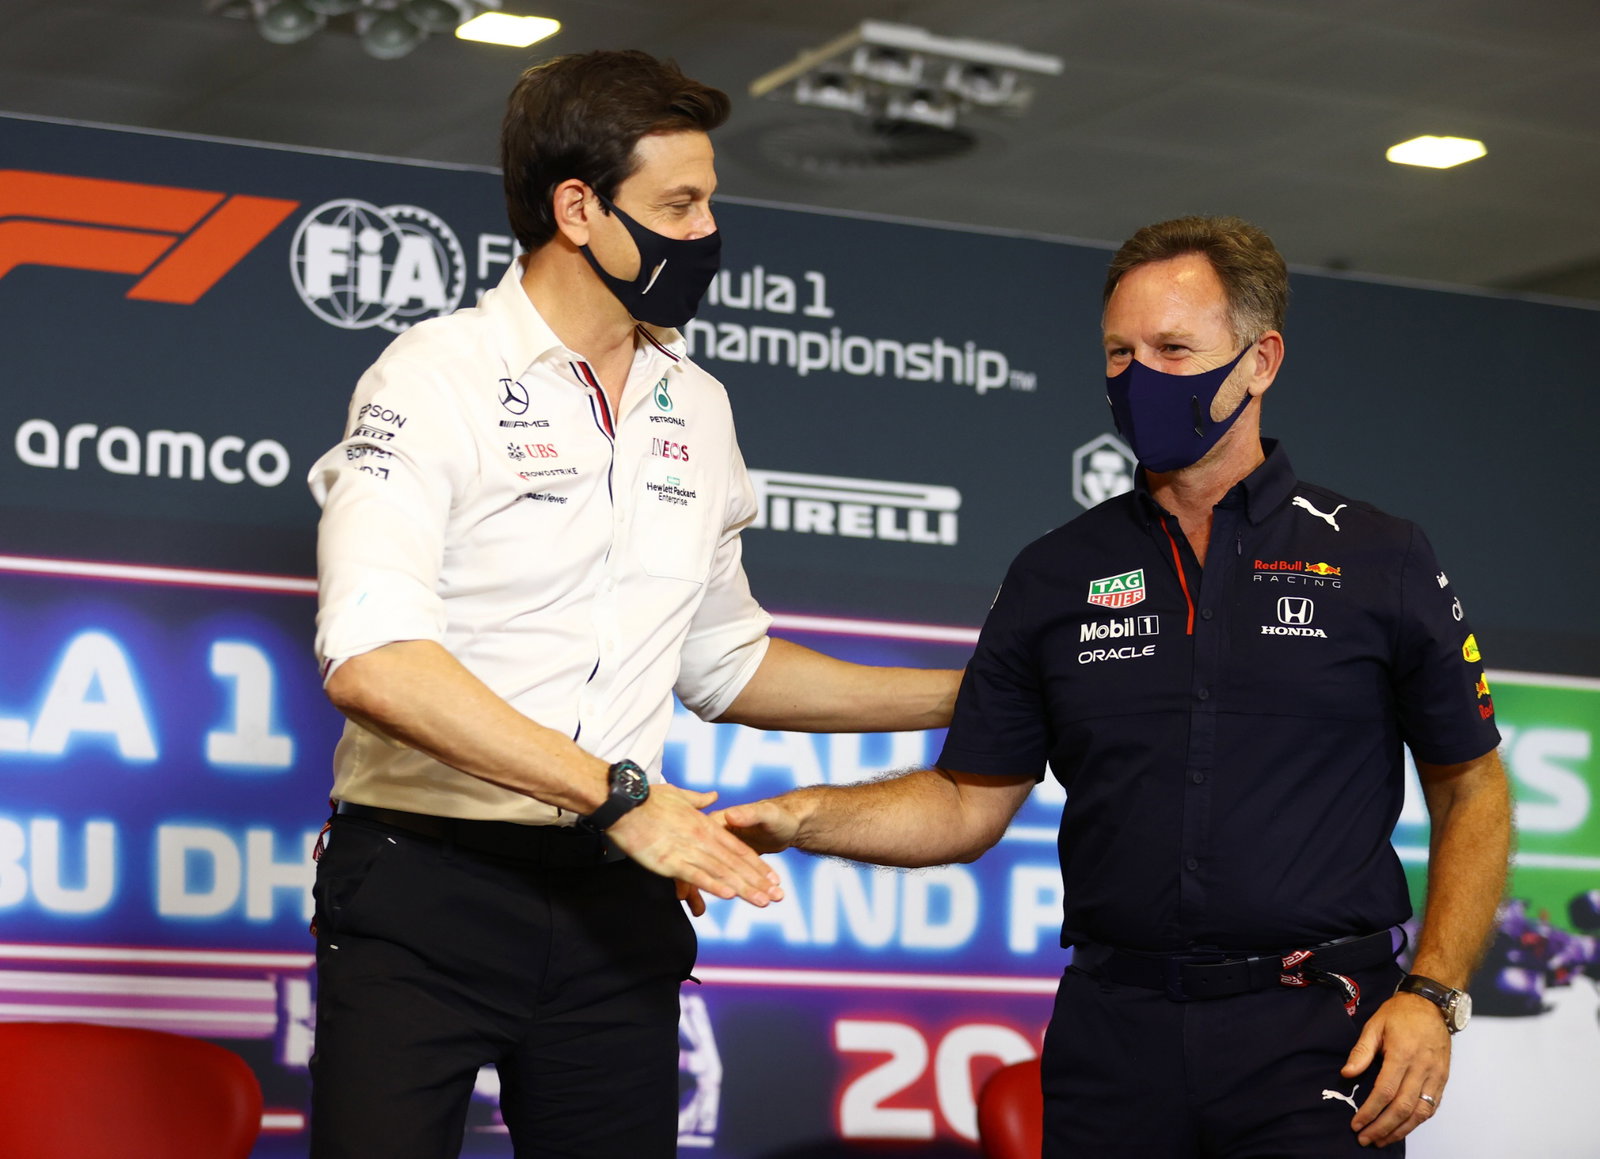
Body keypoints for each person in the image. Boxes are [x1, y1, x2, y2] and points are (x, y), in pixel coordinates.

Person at [723, 216, 1511, 1157]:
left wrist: (1431, 992)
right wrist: (801, 816)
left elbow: (1474, 786)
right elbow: (965, 803)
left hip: (1317, 1034)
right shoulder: (1056, 571)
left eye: (1174, 349)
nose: (1140, 377)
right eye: (1119, 352)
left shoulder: (1379, 555)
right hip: (1113, 1032)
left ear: (1260, 361)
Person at [304, 49, 959, 1159]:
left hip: (614, 909)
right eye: (679, 205)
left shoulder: (695, 403)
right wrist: (618, 795)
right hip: (424, 886)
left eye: (710, 202)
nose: (707, 232)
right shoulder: (432, 376)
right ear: (578, 209)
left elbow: (725, 663)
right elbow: (374, 657)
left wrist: (973, 687)